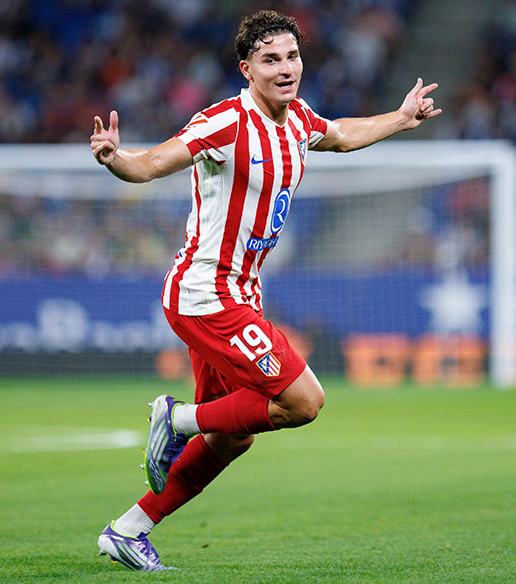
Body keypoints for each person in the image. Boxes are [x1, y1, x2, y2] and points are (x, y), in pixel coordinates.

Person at [89, 9, 440, 570]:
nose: (285, 68)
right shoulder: (225, 123)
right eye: (270, 59)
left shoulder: (298, 120)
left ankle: (129, 530)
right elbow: (153, 163)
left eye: (292, 56)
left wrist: (399, 118)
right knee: (304, 402)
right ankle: (174, 420)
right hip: (207, 296)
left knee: (233, 435)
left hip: (239, 294)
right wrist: (116, 161)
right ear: (246, 69)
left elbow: (341, 135)